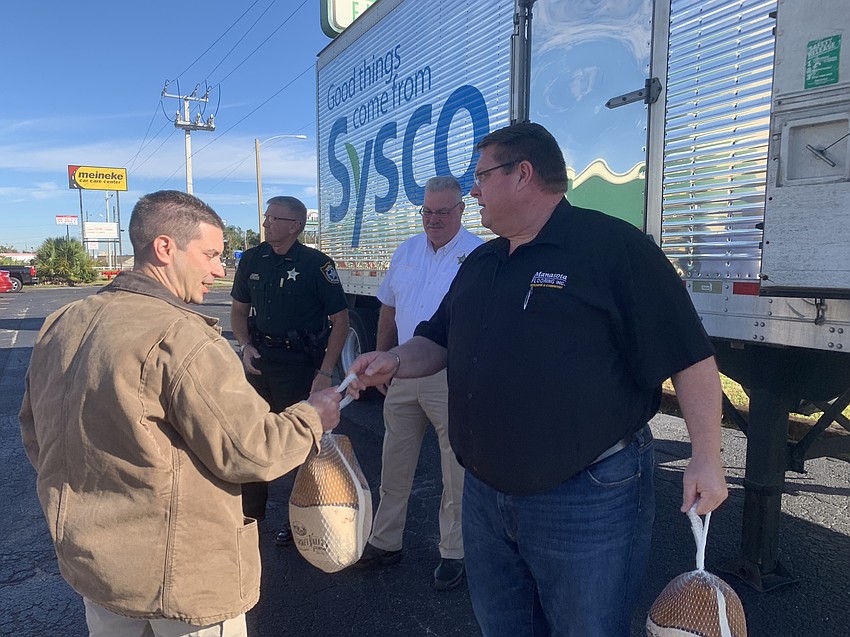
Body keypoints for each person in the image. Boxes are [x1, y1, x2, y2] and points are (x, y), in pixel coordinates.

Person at [345, 123, 729, 637]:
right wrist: (393, 359)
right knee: (503, 626)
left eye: (480, 176)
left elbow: (690, 357)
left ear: (522, 173)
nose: (474, 190)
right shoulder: (480, 262)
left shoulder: (613, 248)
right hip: (484, 492)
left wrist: (705, 456)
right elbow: (436, 340)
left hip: (586, 496)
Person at [19, 190, 341, 637]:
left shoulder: (62, 324)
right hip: (182, 580)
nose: (219, 269)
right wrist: (313, 415)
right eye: (210, 254)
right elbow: (252, 452)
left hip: (98, 569)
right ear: (165, 248)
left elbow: (37, 435)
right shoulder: (183, 339)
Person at [356, 176, 483, 590]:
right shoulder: (407, 250)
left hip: (450, 375)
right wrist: (382, 361)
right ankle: (385, 541)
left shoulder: (478, 254)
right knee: (393, 461)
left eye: (443, 211)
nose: (433, 219)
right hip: (404, 372)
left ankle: (454, 551)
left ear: (461, 211)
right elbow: (388, 310)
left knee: (456, 469)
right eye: (427, 211)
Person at [230, 195, 349, 545]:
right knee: (249, 439)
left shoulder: (316, 264)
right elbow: (239, 312)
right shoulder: (252, 259)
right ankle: (249, 516)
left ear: (295, 226)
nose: (266, 224)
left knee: (302, 445)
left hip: (299, 367)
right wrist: (245, 345)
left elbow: (340, 322)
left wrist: (326, 372)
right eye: (266, 217)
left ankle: (305, 519)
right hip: (260, 363)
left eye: (273, 219)